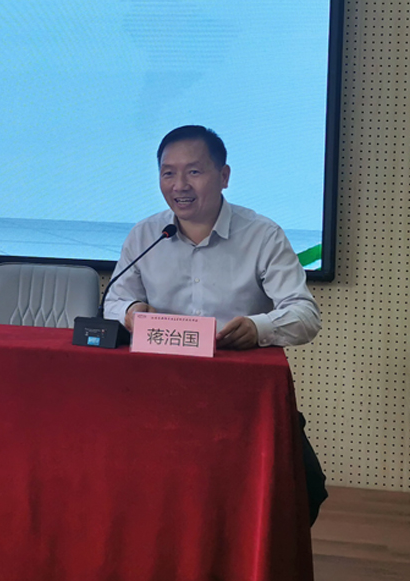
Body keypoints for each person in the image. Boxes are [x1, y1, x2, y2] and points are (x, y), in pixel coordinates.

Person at [104, 125, 327, 521]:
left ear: (224, 176)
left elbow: (304, 314)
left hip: (239, 400)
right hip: (158, 395)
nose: (179, 186)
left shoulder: (262, 236)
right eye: (168, 173)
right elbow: (113, 300)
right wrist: (132, 311)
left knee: (304, 487)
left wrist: (258, 328)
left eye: (194, 171)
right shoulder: (146, 235)